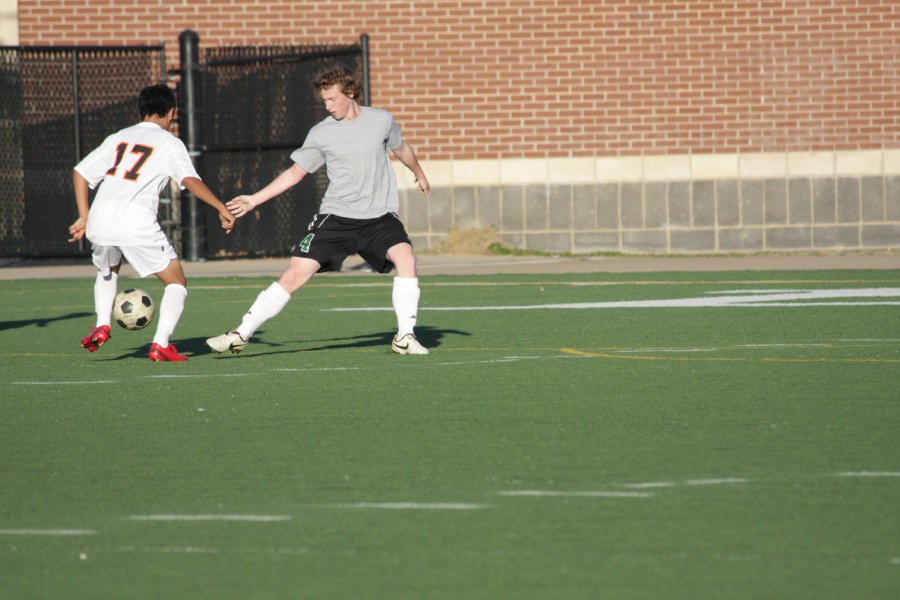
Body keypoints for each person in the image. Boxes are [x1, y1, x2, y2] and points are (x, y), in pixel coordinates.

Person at [206, 66, 431, 356]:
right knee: (294, 275)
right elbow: (296, 172)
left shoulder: (381, 120)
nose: (328, 106)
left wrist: (420, 174)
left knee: (406, 257)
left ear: (350, 93)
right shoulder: (321, 133)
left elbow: (402, 150)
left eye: (332, 99)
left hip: (379, 217)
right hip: (336, 217)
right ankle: (241, 333)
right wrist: (253, 200)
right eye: (324, 101)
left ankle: (405, 336)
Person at [68, 83, 235, 362]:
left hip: (100, 220)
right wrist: (220, 207)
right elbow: (190, 180)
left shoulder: (119, 137)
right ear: (171, 113)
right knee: (176, 282)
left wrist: (84, 216)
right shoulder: (169, 143)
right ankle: (160, 344)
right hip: (135, 223)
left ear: (141, 110)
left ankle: (102, 324)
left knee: (108, 269)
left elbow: (80, 172)